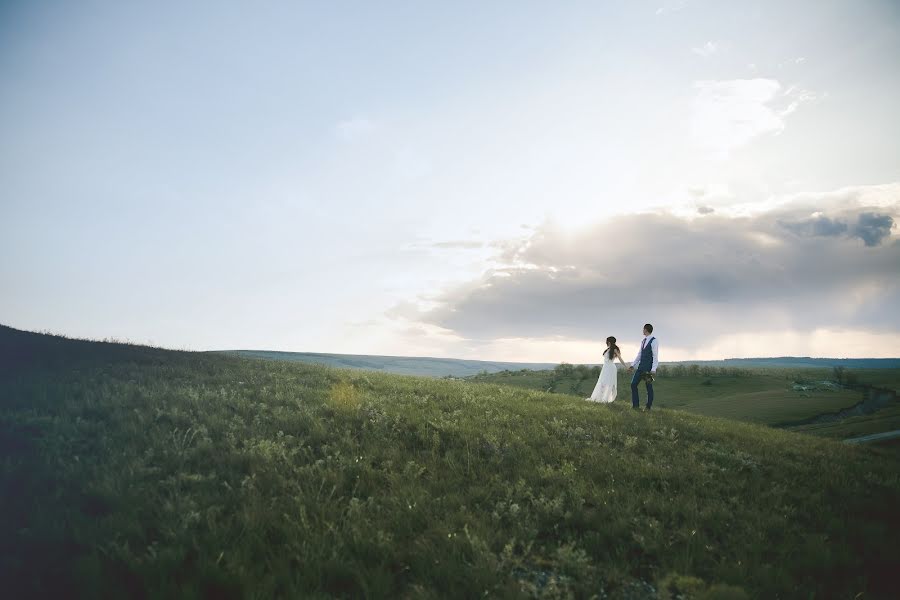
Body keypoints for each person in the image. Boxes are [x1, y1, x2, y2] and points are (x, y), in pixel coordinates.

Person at [587, 336, 627, 403]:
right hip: (605, 367)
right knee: (602, 382)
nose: (606, 342)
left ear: (609, 342)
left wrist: (626, 366)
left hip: (610, 368)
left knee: (608, 383)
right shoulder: (608, 349)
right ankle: (600, 397)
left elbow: (620, 358)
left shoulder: (614, 349)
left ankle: (605, 398)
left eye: (607, 341)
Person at [628, 324, 658, 411]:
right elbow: (639, 355)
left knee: (648, 387)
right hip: (640, 367)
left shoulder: (654, 341)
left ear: (646, 330)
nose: (642, 330)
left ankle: (648, 407)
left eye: (643, 329)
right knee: (633, 384)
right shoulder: (643, 341)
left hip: (648, 368)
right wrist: (632, 365)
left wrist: (653, 368)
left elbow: (655, 355)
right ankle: (636, 406)